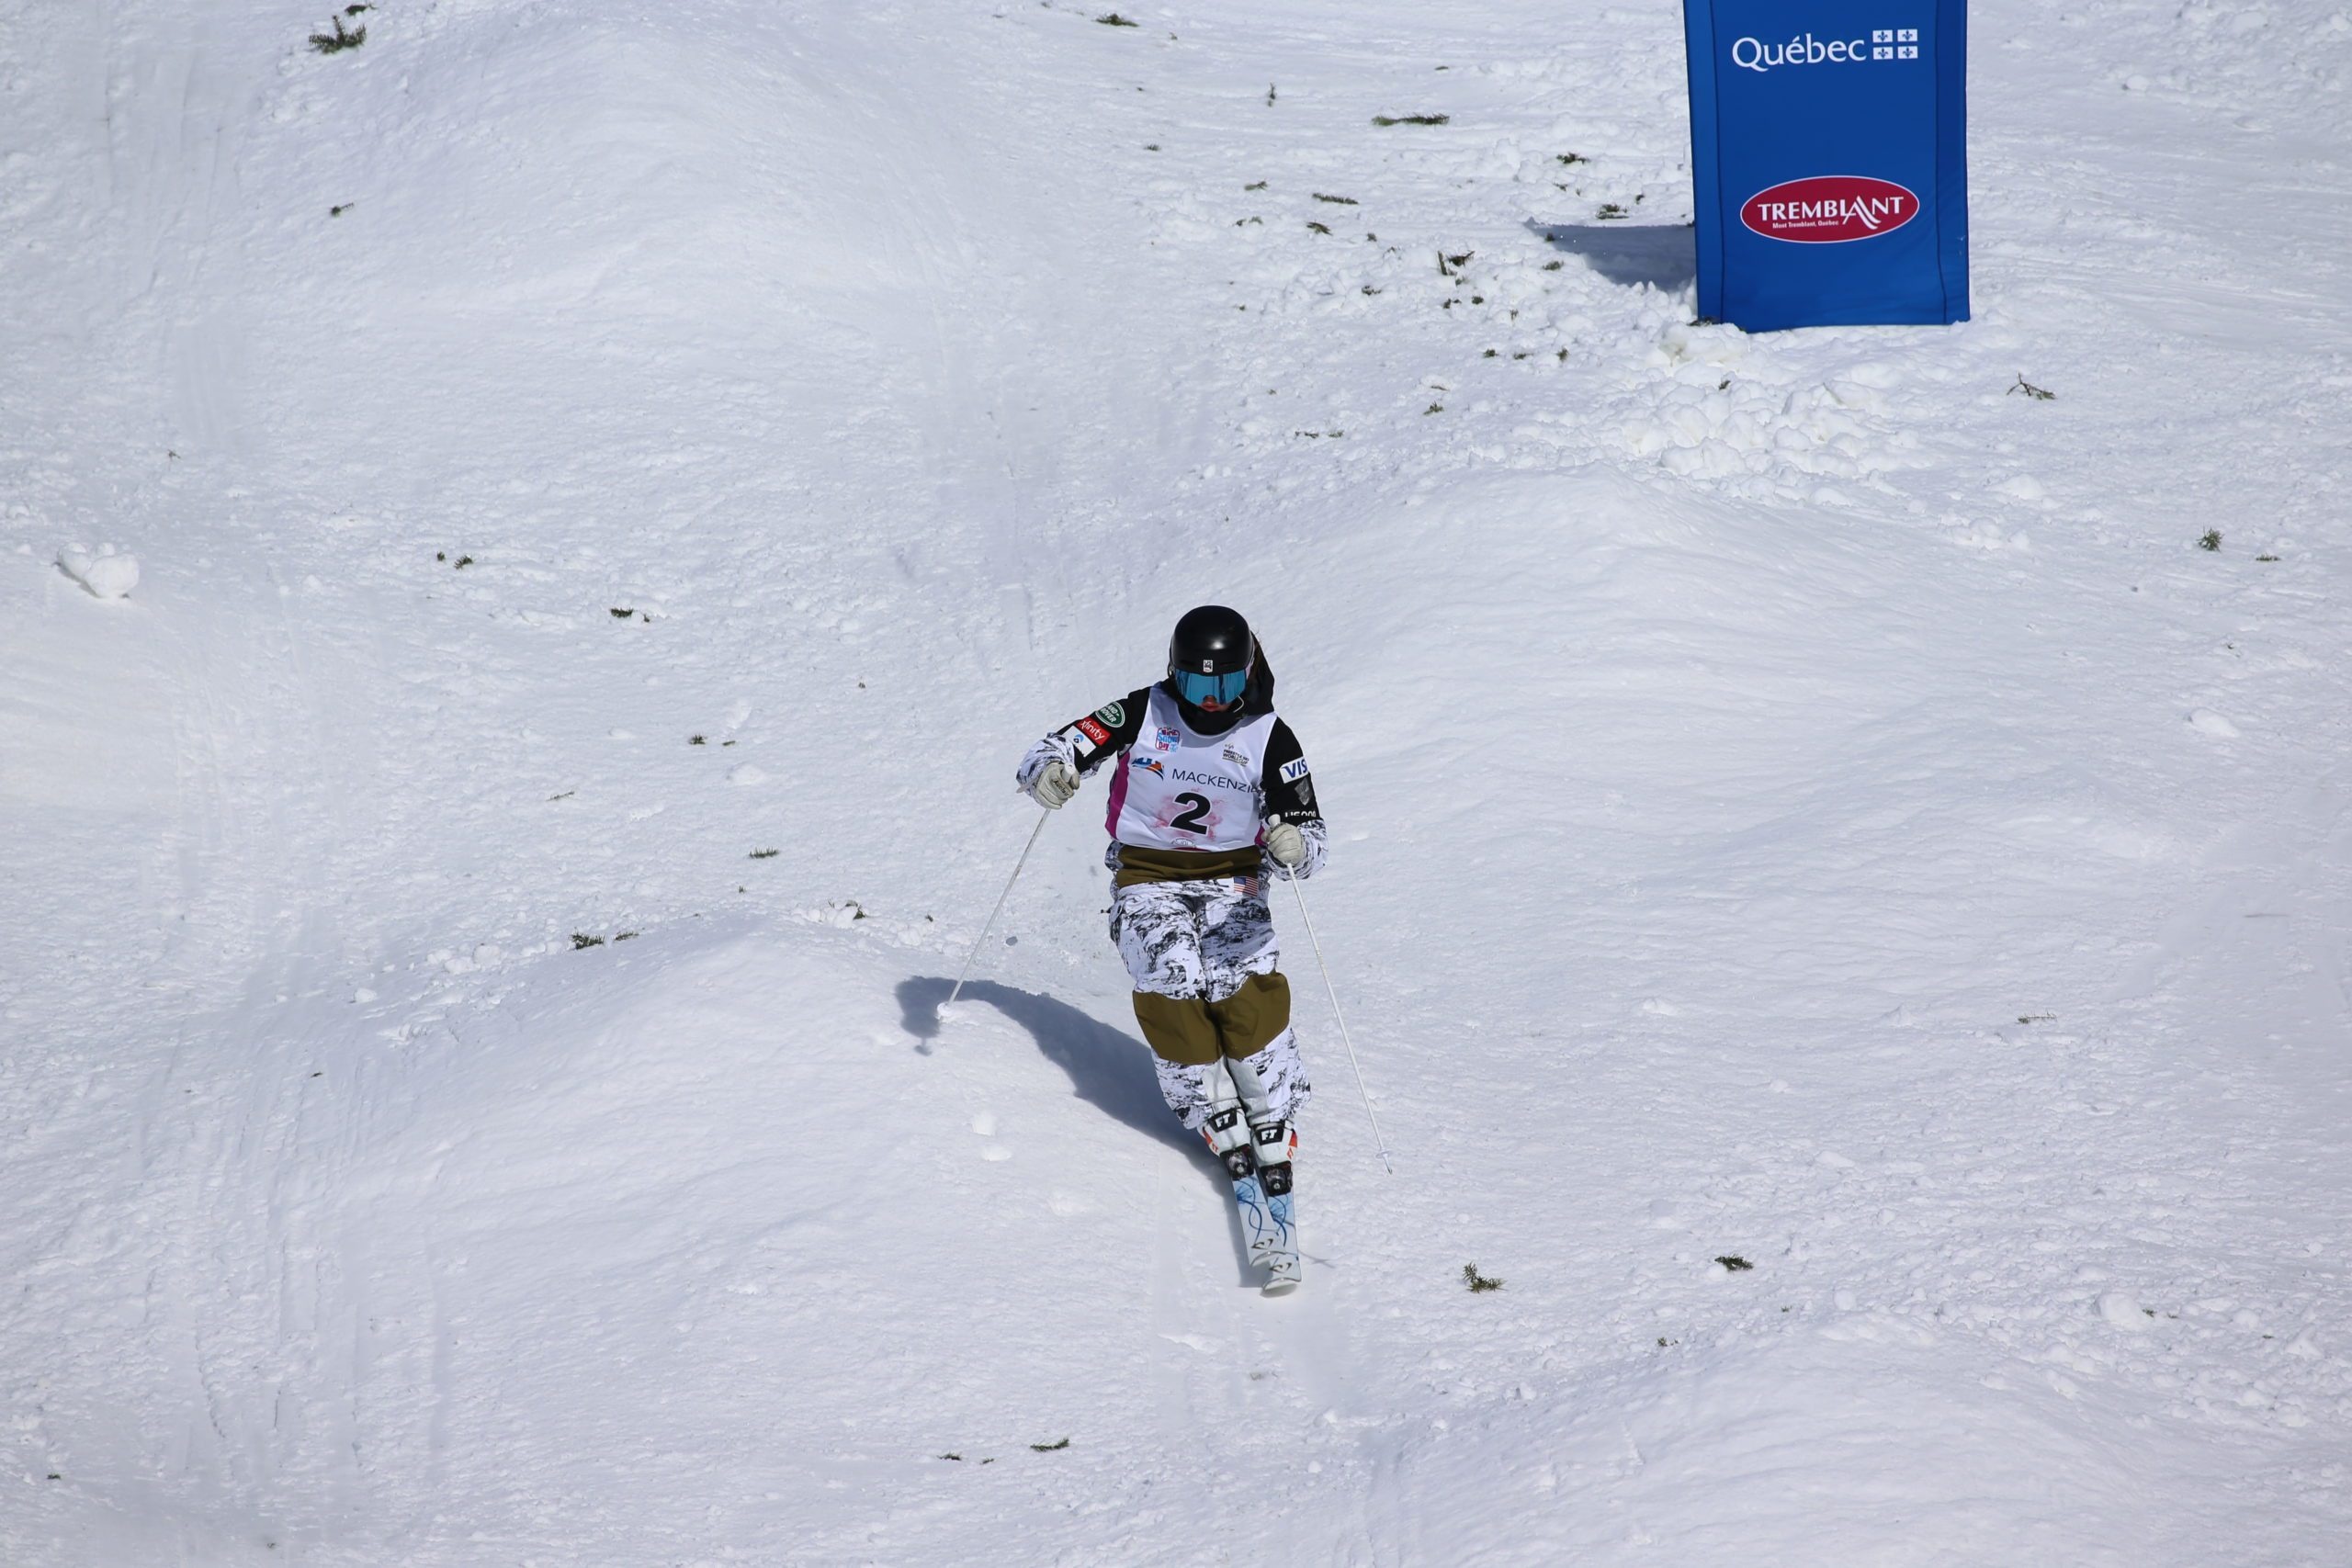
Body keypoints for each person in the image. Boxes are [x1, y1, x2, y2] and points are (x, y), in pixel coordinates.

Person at [1014, 605, 1328, 1200]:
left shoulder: (1269, 736)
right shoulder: (1145, 709)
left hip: (1235, 879)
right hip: (1147, 874)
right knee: (1170, 971)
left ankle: (1272, 1103)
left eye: (1226, 685)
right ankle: (1208, 1101)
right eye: (1197, 684)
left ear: (1248, 673)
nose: (1210, 702)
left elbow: (1313, 839)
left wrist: (1294, 845)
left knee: (1241, 981)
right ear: (1174, 672)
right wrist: (1050, 772)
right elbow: (1057, 746)